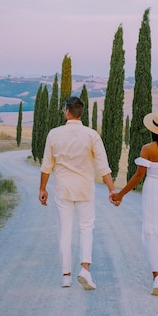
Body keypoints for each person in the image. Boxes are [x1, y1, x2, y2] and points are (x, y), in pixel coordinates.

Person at [39, 96, 116, 290]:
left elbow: (47, 165)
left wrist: (42, 188)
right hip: (84, 188)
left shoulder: (54, 134)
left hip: (63, 188)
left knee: (64, 231)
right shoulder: (91, 135)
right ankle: (85, 270)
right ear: (81, 113)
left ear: (66, 112)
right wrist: (112, 189)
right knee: (86, 227)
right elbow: (103, 166)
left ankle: (66, 276)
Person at [111, 109, 158, 295]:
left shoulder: (147, 149)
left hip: (153, 190)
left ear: (153, 129)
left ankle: (156, 278)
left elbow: (138, 176)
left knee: (152, 231)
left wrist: (121, 194)